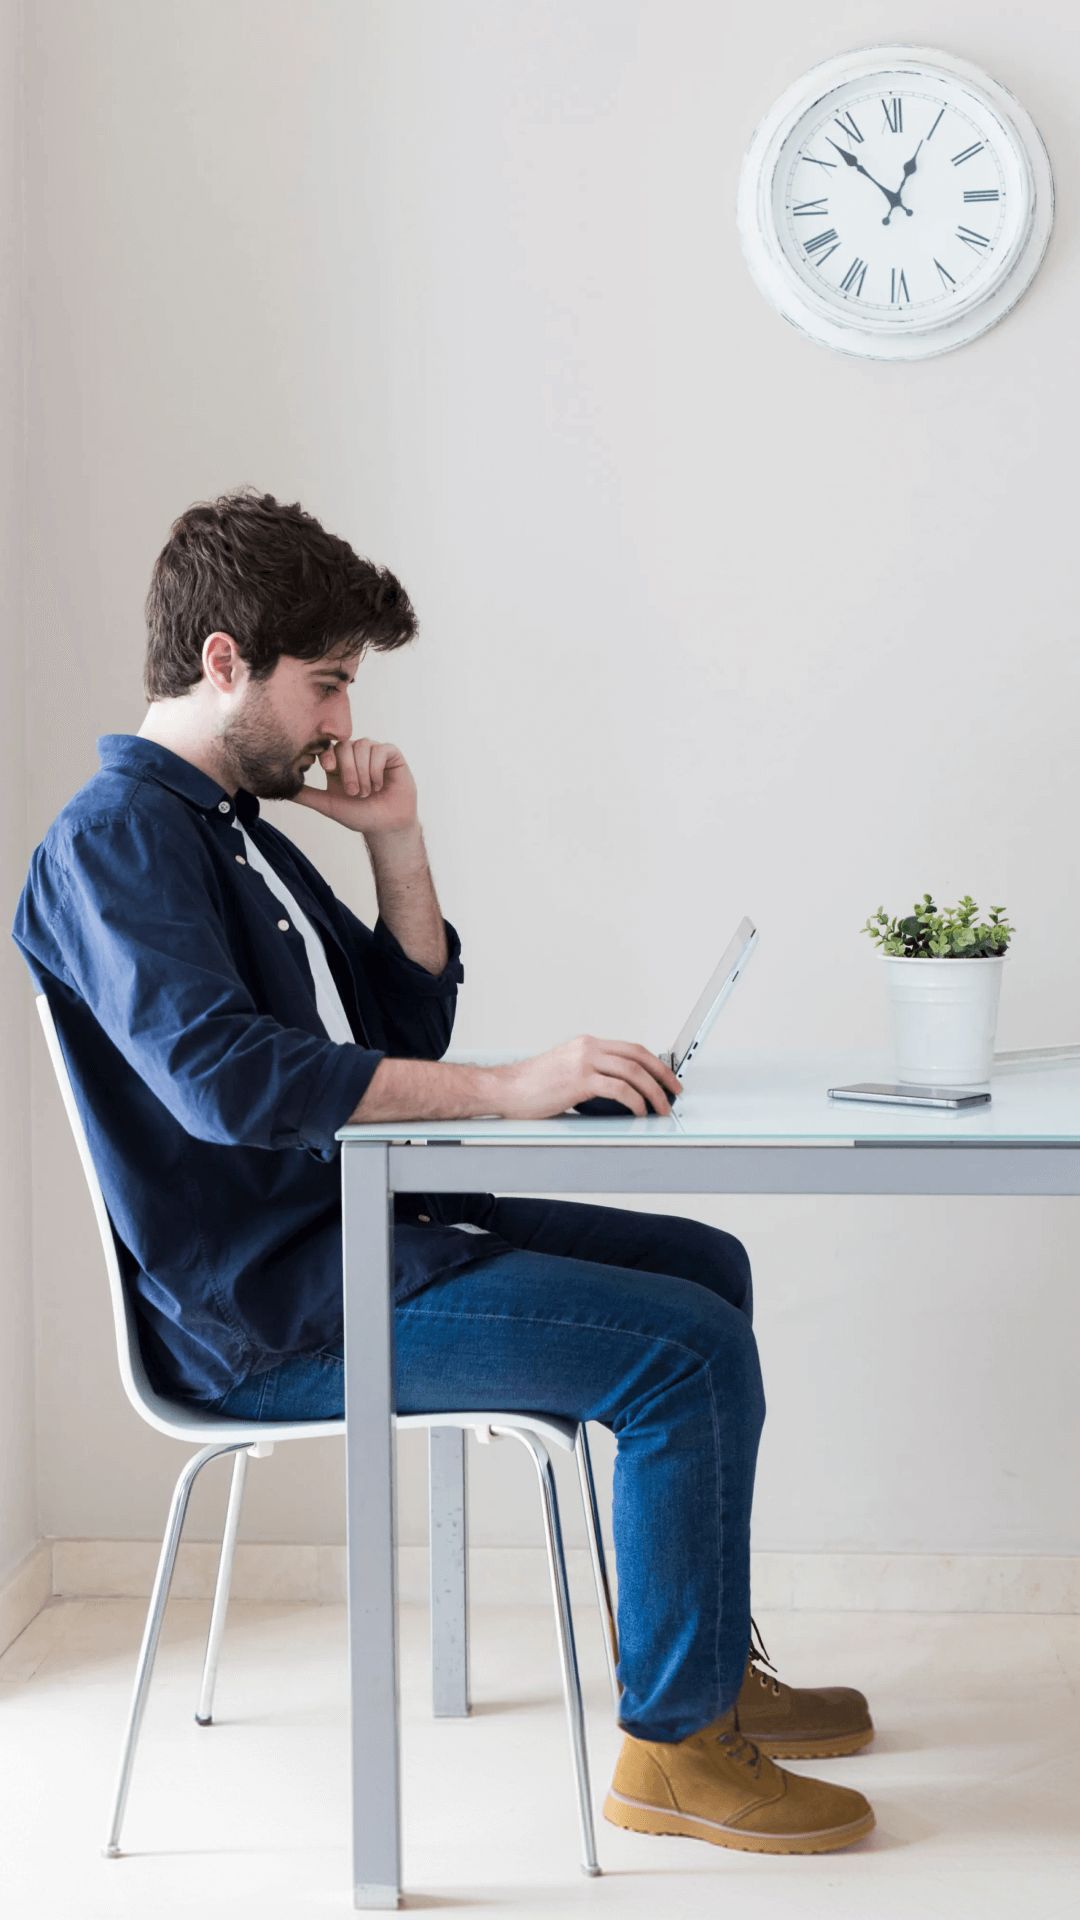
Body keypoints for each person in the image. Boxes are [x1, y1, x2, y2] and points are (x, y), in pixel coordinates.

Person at [15, 490, 876, 1856]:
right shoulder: (118, 838)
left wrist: (395, 839)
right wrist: (514, 1088)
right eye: (327, 681)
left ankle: (700, 1663)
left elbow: (400, 1035)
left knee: (706, 1269)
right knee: (689, 1352)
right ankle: (674, 1749)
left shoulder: (237, 830)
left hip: (359, 1236)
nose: (343, 718)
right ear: (226, 661)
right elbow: (234, 1084)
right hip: (274, 1314)